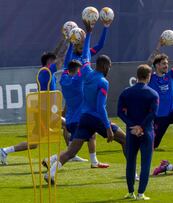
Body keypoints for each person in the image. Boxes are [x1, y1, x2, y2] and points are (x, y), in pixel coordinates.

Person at [44, 22, 125, 184]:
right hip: (92, 116)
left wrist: (72, 40)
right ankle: (133, 173)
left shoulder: (71, 75)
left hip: (83, 117)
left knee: (72, 150)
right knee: (125, 140)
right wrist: (90, 32)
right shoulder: (90, 75)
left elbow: (75, 60)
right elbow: (101, 107)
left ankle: (51, 172)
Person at [0, 37, 69, 165]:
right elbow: (60, 59)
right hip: (46, 112)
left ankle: (4, 151)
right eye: (52, 60)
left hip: (46, 110)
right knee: (68, 125)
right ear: (49, 62)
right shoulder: (46, 71)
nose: (56, 62)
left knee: (34, 144)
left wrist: (64, 39)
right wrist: (69, 43)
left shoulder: (46, 71)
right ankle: (69, 153)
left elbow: (56, 54)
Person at [118, 64, 159, 200]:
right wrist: (141, 127)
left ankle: (130, 192)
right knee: (145, 162)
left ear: (137, 75)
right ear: (148, 76)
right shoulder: (153, 94)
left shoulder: (126, 92)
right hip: (146, 131)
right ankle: (141, 194)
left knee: (131, 162)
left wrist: (132, 125)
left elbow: (120, 113)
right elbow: (153, 114)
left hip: (131, 132)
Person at [147, 37, 173, 149]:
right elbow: (149, 63)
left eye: (167, 63)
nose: (166, 65)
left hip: (172, 112)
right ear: (157, 65)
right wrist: (158, 46)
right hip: (160, 116)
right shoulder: (151, 78)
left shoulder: (170, 76)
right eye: (164, 63)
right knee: (154, 145)